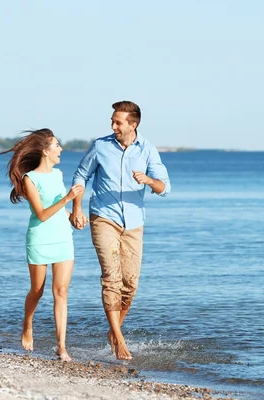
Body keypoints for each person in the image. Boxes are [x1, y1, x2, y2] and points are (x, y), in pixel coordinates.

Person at [70, 100, 171, 360]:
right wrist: (77, 209)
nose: (113, 125)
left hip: (134, 223)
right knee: (111, 278)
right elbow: (81, 175)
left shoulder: (147, 150)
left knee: (130, 284)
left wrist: (149, 180)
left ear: (132, 124)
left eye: (118, 122)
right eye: (112, 121)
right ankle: (118, 336)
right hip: (103, 218)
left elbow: (165, 187)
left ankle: (113, 331)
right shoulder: (100, 146)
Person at [1, 129, 83, 361]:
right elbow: (42, 214)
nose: (61, 149)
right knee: (37, 291)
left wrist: (72, 217)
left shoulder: (58, 174)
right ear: (45, 151)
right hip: (39, 238)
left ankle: (61, 346)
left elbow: (57, 211)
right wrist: (67, 199)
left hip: (63, 238)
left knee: (61, 291)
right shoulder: (30, 179)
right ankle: (27, 323)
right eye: (57, 145)